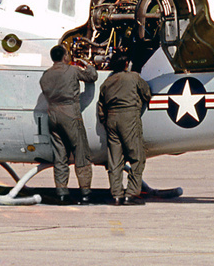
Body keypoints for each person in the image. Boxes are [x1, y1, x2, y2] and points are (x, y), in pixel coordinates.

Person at [39, 44, 97, 204]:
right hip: (70, 114)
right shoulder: (72, 70)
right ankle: (85, 193)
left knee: (59, 155)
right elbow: (91, 77)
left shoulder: (46, 75)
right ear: (65, 56)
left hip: (53, 116)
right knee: (81, 153)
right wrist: (88, 65)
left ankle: (62, 193)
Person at [97, 56, 151, 205]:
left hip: (111, 120)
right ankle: (131, 194)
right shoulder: (133, 77)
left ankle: (116, 194)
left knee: (115, 160)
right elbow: (147, 93)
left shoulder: (106, 83)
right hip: (129, 118)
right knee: (137, 157)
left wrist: (105, 121)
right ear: (126, 64)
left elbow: (100, 106)